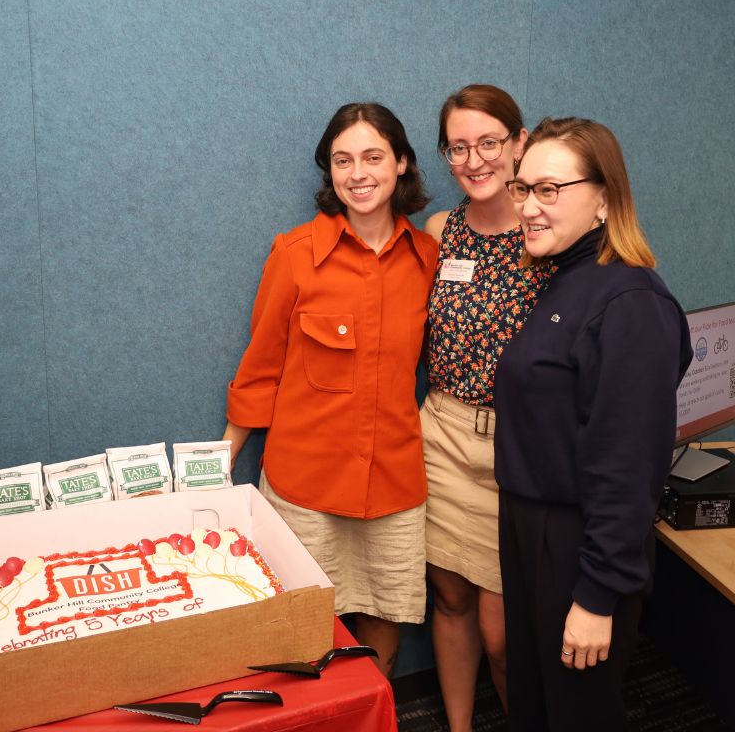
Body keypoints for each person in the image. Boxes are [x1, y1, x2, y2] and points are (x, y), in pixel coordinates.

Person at [223, 103, 438, 677]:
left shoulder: (428, 261)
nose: (358, 173)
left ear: (401, 164)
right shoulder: (295, 257)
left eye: (373, 157)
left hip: (392, 482)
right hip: (305, 483)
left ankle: (369, 704)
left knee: (384, 611)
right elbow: (260, 368)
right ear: (330, 172)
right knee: (300, 627)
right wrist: (223, 460)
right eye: (343, 160)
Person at [494, 117, 693, 730]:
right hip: (531, 530)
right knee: (535, 703)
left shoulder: (630, 303)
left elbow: (628, 467)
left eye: (549, 189)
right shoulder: (564, 284)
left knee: (577, 714)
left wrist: (597, 594)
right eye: (522, 189)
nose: (529, 206)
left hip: (578, 544)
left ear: (604, 199)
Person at [420, 84, 554, 728]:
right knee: (448, 599)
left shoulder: (546, 235)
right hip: (442, 434)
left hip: (518, 450)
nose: (475, 161)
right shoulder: (439, 231)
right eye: (458, 148)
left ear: (520, 143)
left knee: (503, 634)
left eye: (490, 143)